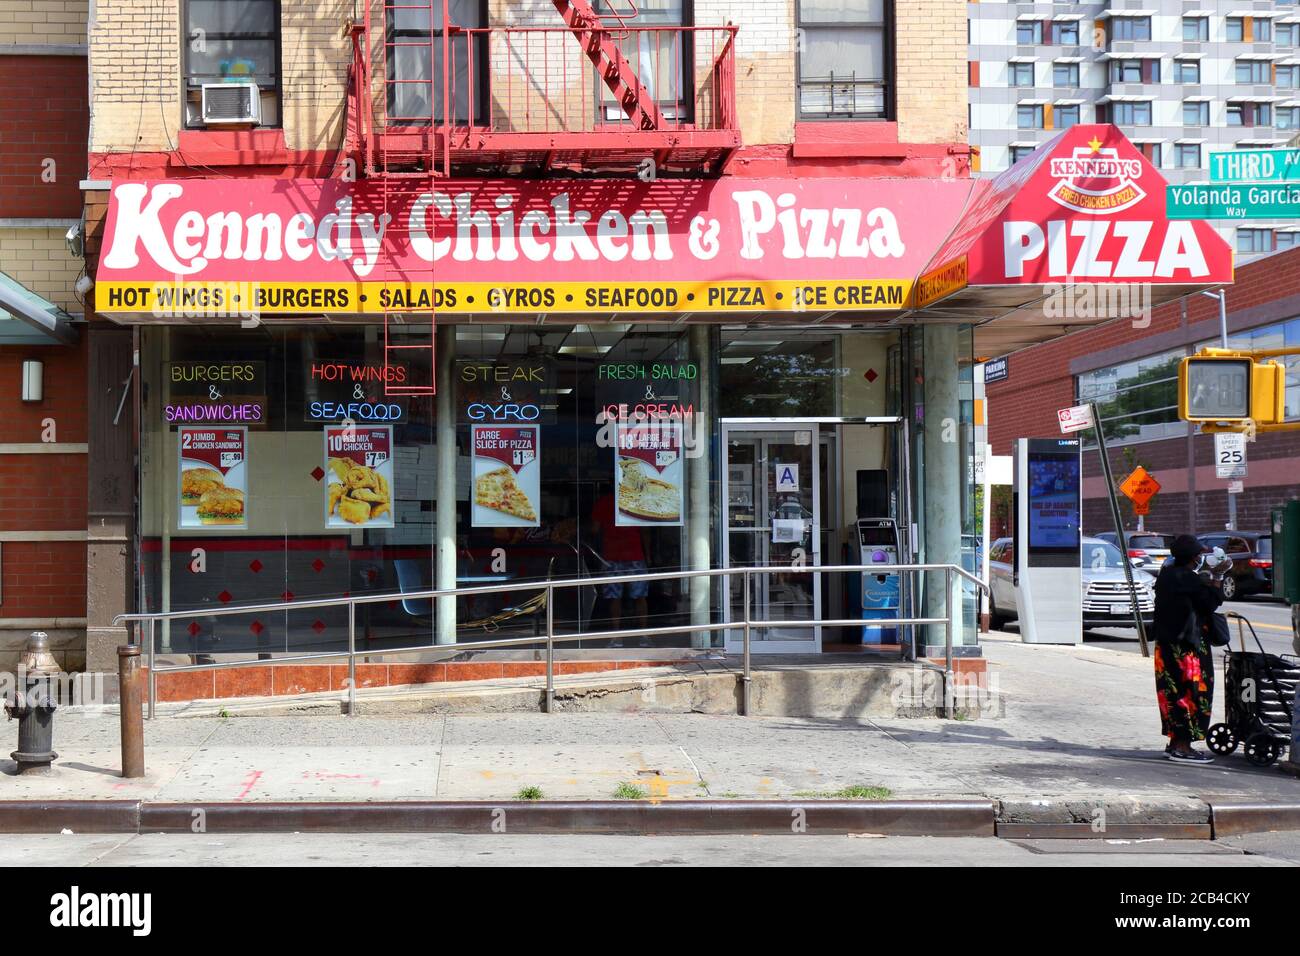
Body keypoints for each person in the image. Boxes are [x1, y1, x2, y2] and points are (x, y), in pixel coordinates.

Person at [1151, 533, 1223, 762]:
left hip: (1166, 648)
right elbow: (1210, 603)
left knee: (1171, 694)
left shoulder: (1166, 577)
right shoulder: (1189, 579)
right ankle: (1183, 746)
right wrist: (1218, 577)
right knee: (1190, 694)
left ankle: (1175, 743)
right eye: (1199, 555)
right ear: (1193, 558)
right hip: (1187, 649)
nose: (1201, 558)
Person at [590, 487, 650, 642]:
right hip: (635, 554)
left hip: (611, 556)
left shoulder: (603, 502)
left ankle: (616, 635)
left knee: (614, 598)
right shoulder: (636, 500)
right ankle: (643, 634)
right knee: (640, 596)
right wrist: (649, 555)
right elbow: (645, 531)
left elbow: (594, 529)